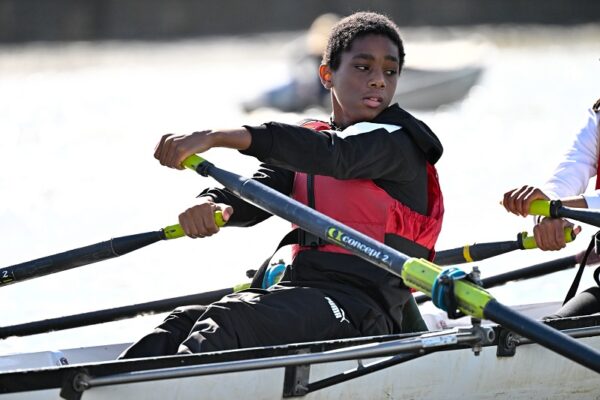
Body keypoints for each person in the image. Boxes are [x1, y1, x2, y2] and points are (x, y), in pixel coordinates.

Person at [120, 11, 444, 358]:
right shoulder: (310, 141)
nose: (379, 80)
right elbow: (255, 190)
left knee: (230, 320)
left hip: (363, 310)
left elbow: (337, 157)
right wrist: (212, 204)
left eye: (390, 71)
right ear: (327, 75)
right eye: (363, 67)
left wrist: (218, 137)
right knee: (180, 324)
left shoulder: (398, 144)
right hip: (300, 293)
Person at [502, 97, 600, 318]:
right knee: (552, 327)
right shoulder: (598, 121)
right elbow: (566, 177)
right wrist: (547, 216)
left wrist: (554, 208)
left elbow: (560, 203)